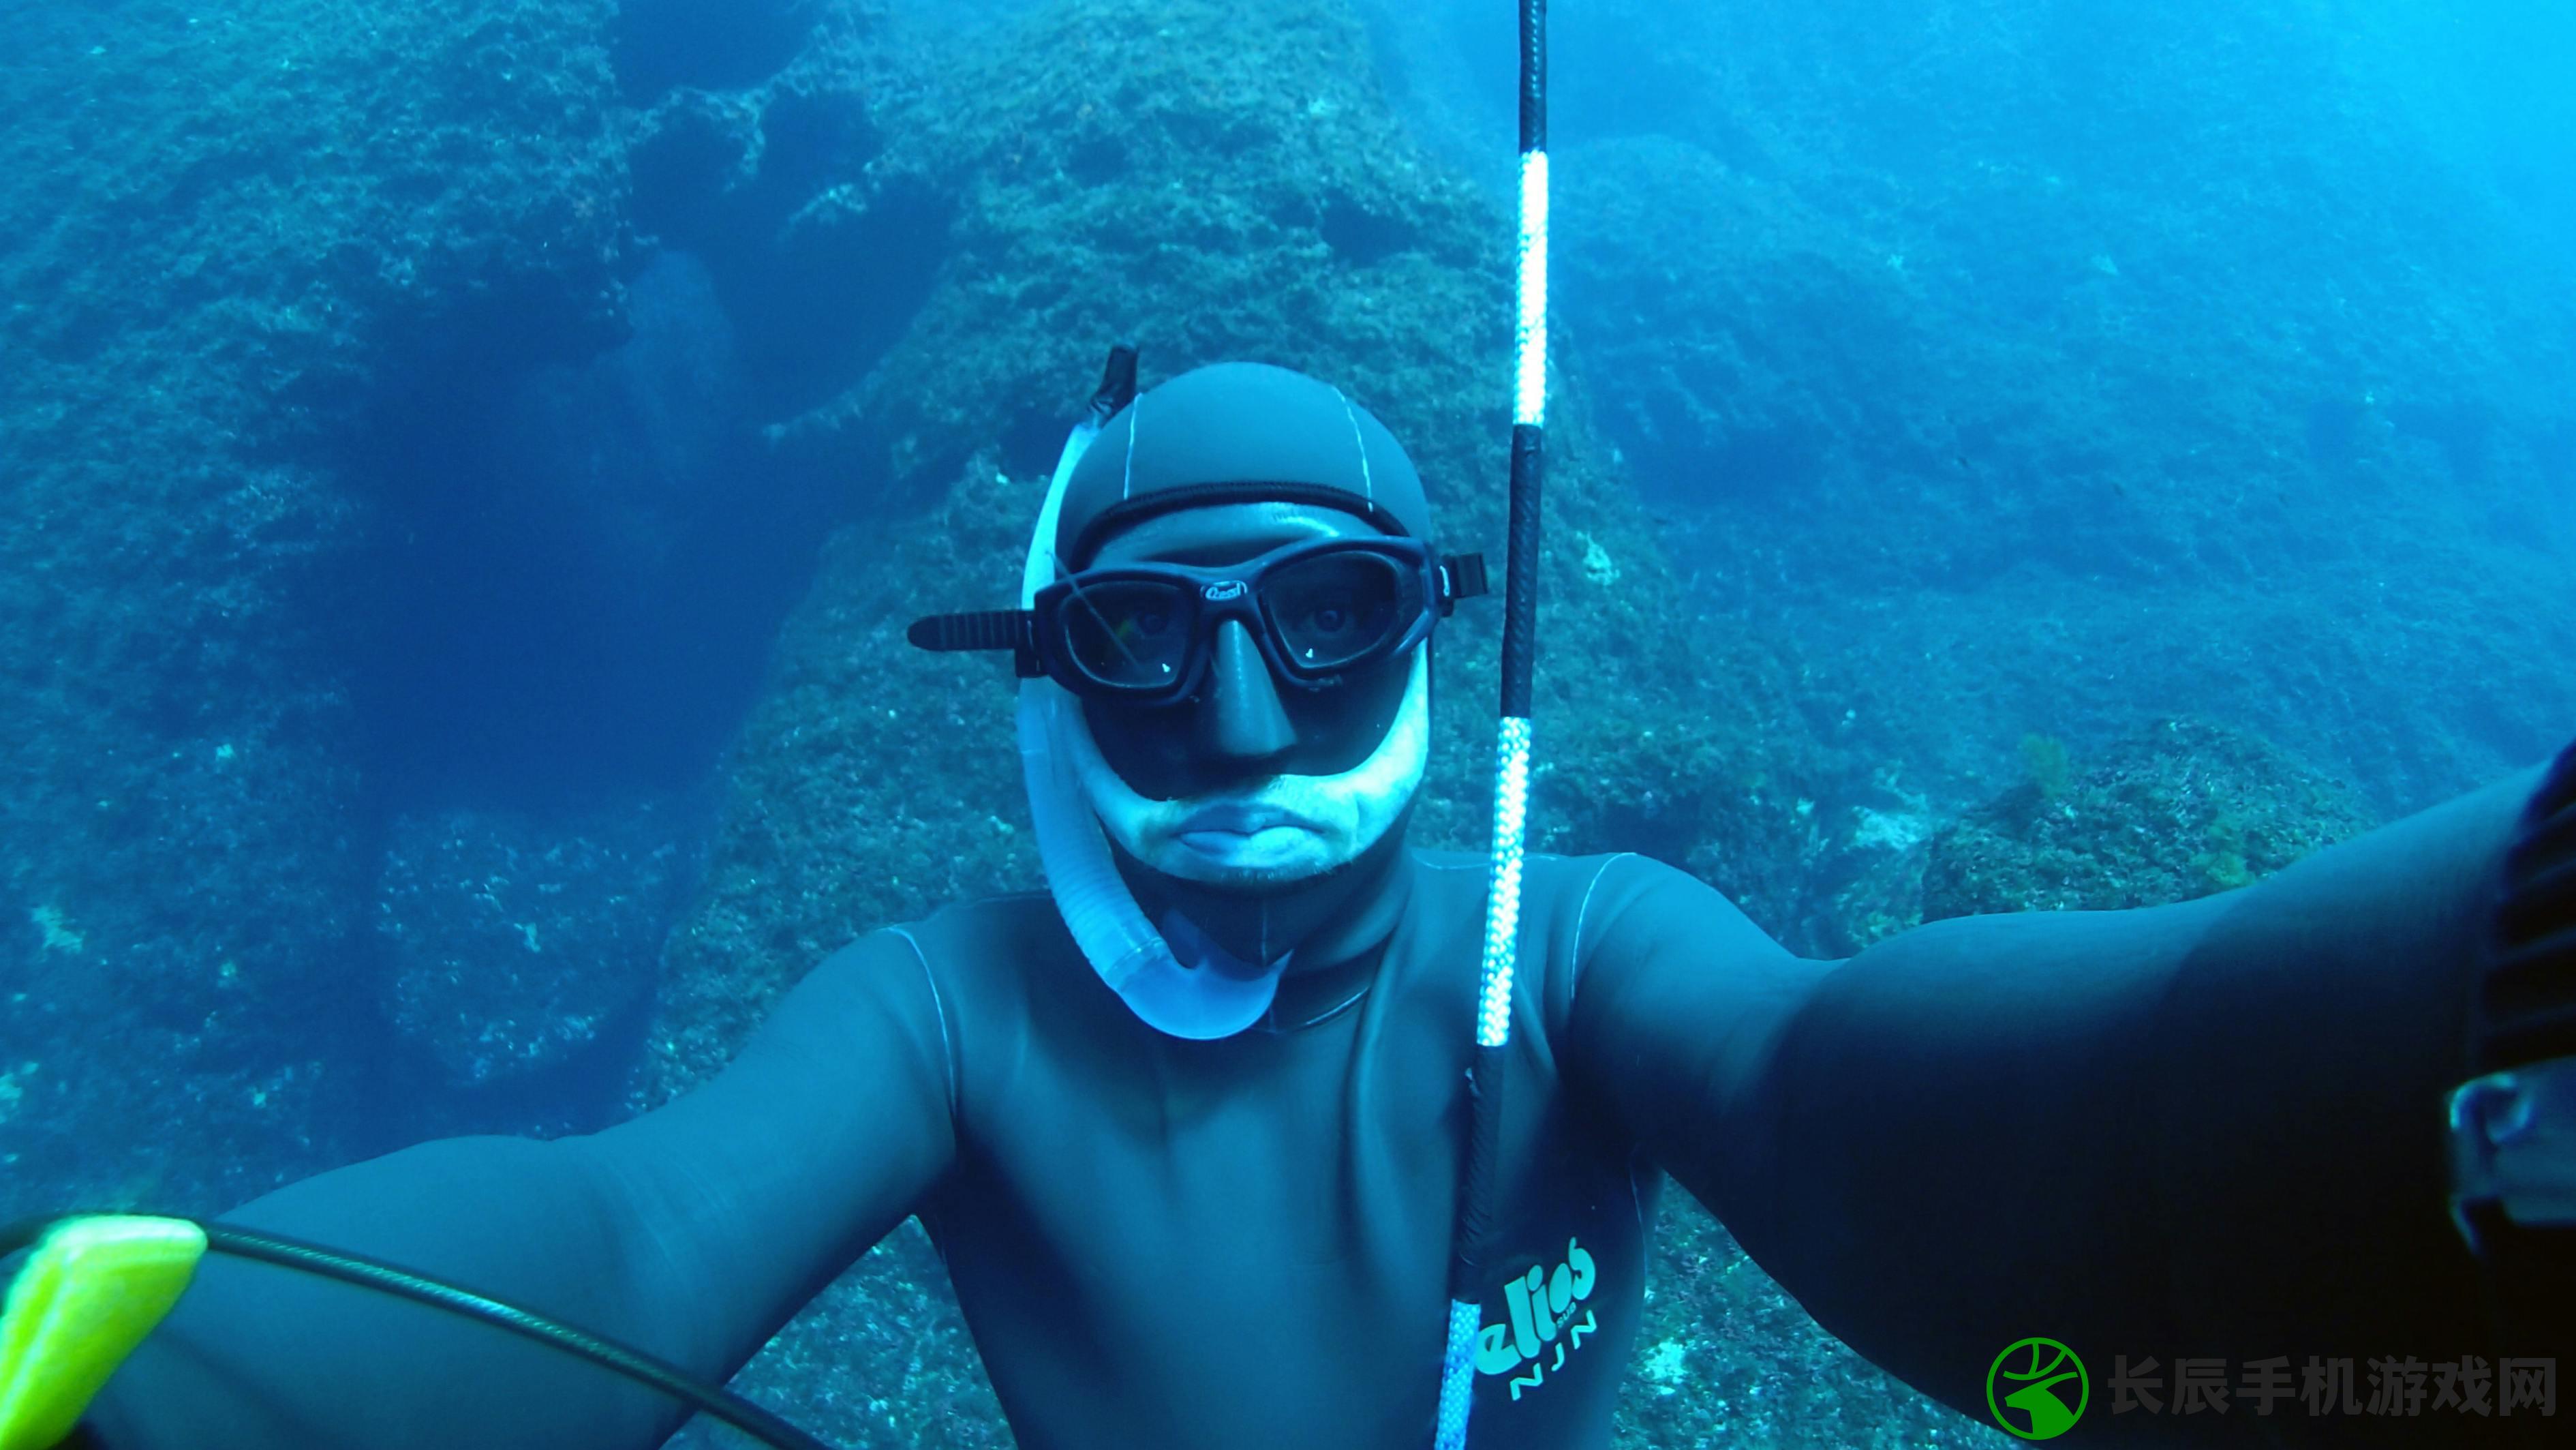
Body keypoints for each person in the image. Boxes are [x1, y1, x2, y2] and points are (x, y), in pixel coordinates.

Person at [18, 361, 2576, 1449]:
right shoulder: (947, 1015)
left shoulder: (1572, 949)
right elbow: (613, 1239)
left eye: (1326, 620)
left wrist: (2499, 1020)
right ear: (1049, 683)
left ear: (1426, 631)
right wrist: (185, 1370)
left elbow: (1908, 1108)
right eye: (1142, 642)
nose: (1242, 724)